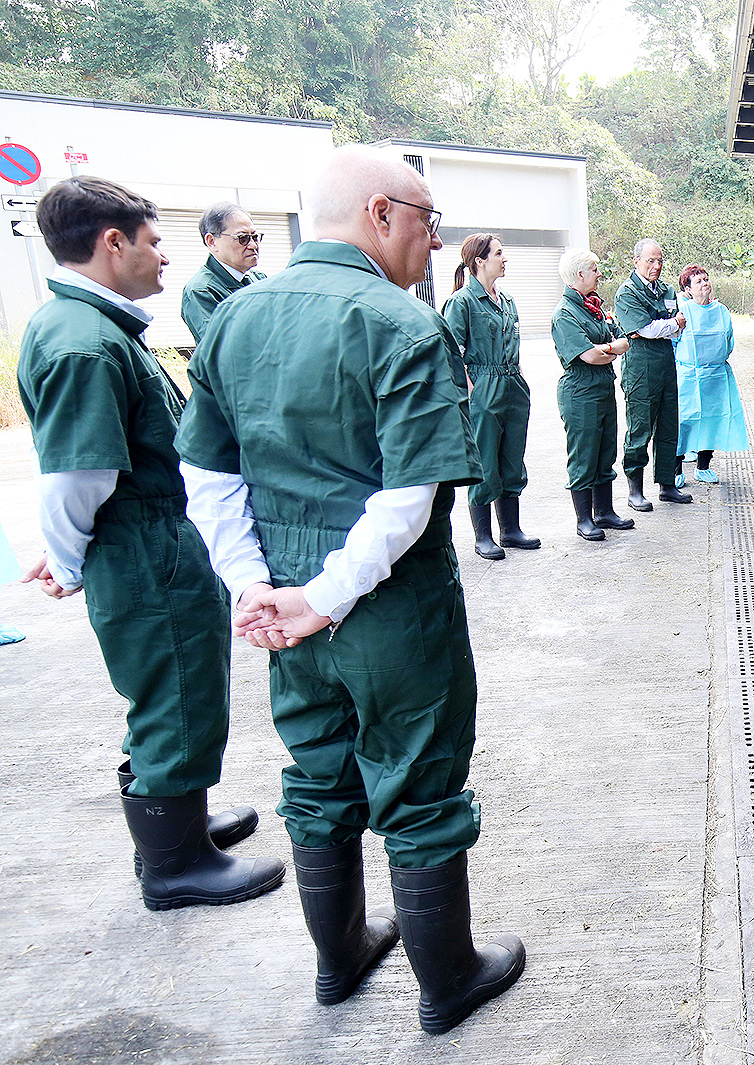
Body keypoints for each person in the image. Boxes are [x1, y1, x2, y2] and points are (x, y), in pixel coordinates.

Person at [174, 147, 523, 1033]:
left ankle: (340, 961)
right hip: (387, 610)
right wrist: (325, 596)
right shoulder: (401, 325)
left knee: (318, 775)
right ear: (381, 213)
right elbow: (408, 497)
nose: (434, 238)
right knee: (419, 782)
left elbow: (205, 473)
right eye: (427, 218)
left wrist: (258, 587)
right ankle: (447, 980)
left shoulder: (234, 318)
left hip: (285, 607)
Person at [16, 176, 282, 912]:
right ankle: (174, 864)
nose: (164, 255)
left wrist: (63, 544)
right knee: (175, 693)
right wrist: (67, 558)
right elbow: (79, 473)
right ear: (112, 243)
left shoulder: (89, 327)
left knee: (175, 686)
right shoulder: (84, 344)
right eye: (154, 240)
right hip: (143, 543)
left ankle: (179, 823)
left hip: (149, 533)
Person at [442, 234, 540, 560]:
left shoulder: (507, 301)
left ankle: (510, 530)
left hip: (513, 384)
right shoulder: (462, 302)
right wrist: (473, 392)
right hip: (484, 387)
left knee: (512, 459)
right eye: (499, 254)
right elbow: (452, 354)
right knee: (485, 462)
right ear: (479, 261)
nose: (505, 259)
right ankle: (482, 536)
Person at [551, 247, 635, 541]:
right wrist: (612, 349)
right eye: (595, 269)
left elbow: (616, 341)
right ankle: (583, 519)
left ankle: (604, 512)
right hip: (580, 390)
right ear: (580, 274)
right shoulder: (565, 313)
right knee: (584, 454)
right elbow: (589, 355)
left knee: (605, 451)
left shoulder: (593, 306)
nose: (599, 274)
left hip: (601, 386)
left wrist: (608, 349)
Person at [615, 239, 692, 510]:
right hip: (641, 367)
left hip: (666, 362)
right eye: (650, 261)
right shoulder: (627, 293)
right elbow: (642, 330)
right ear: (636, 261)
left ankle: (667, 485)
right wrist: (671, 324)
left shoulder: (666, 289)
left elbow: (678, 327)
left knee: (669, 425)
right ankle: (635, 489)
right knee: (640, 428)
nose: (656, 266)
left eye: (660, 261)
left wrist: (669, 326)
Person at [671, 264, 748, 485]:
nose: (705, 284)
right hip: (688, 375)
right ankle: (675, 470)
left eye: (706, 279)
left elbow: (729, 340)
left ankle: (703, 466)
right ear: (688, 288)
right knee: (684, 421)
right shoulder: (683, 311)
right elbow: (675, 342)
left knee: (712, 420)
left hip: (716, 375)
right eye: (698, 281)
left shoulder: (721, 310)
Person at [180, 201, 267, 344]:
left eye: (255, 237)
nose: (253, 245)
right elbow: (221, 348)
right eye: (242, 238)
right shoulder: (202, 291)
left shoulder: (259, 279)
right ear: (212, 241)